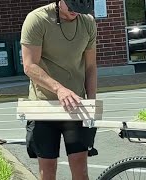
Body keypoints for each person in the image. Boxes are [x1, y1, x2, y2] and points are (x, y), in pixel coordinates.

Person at [20, 0, 98, 179]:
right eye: (71, 8)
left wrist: (92, 102)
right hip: (44, 107)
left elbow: (90, 67)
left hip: (76, 106)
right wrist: (59, 89)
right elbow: (30, 65)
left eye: (80, 10)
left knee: (80, 167)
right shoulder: (37, 20)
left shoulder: (87, 22)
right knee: (48, 168)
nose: (75, 13)